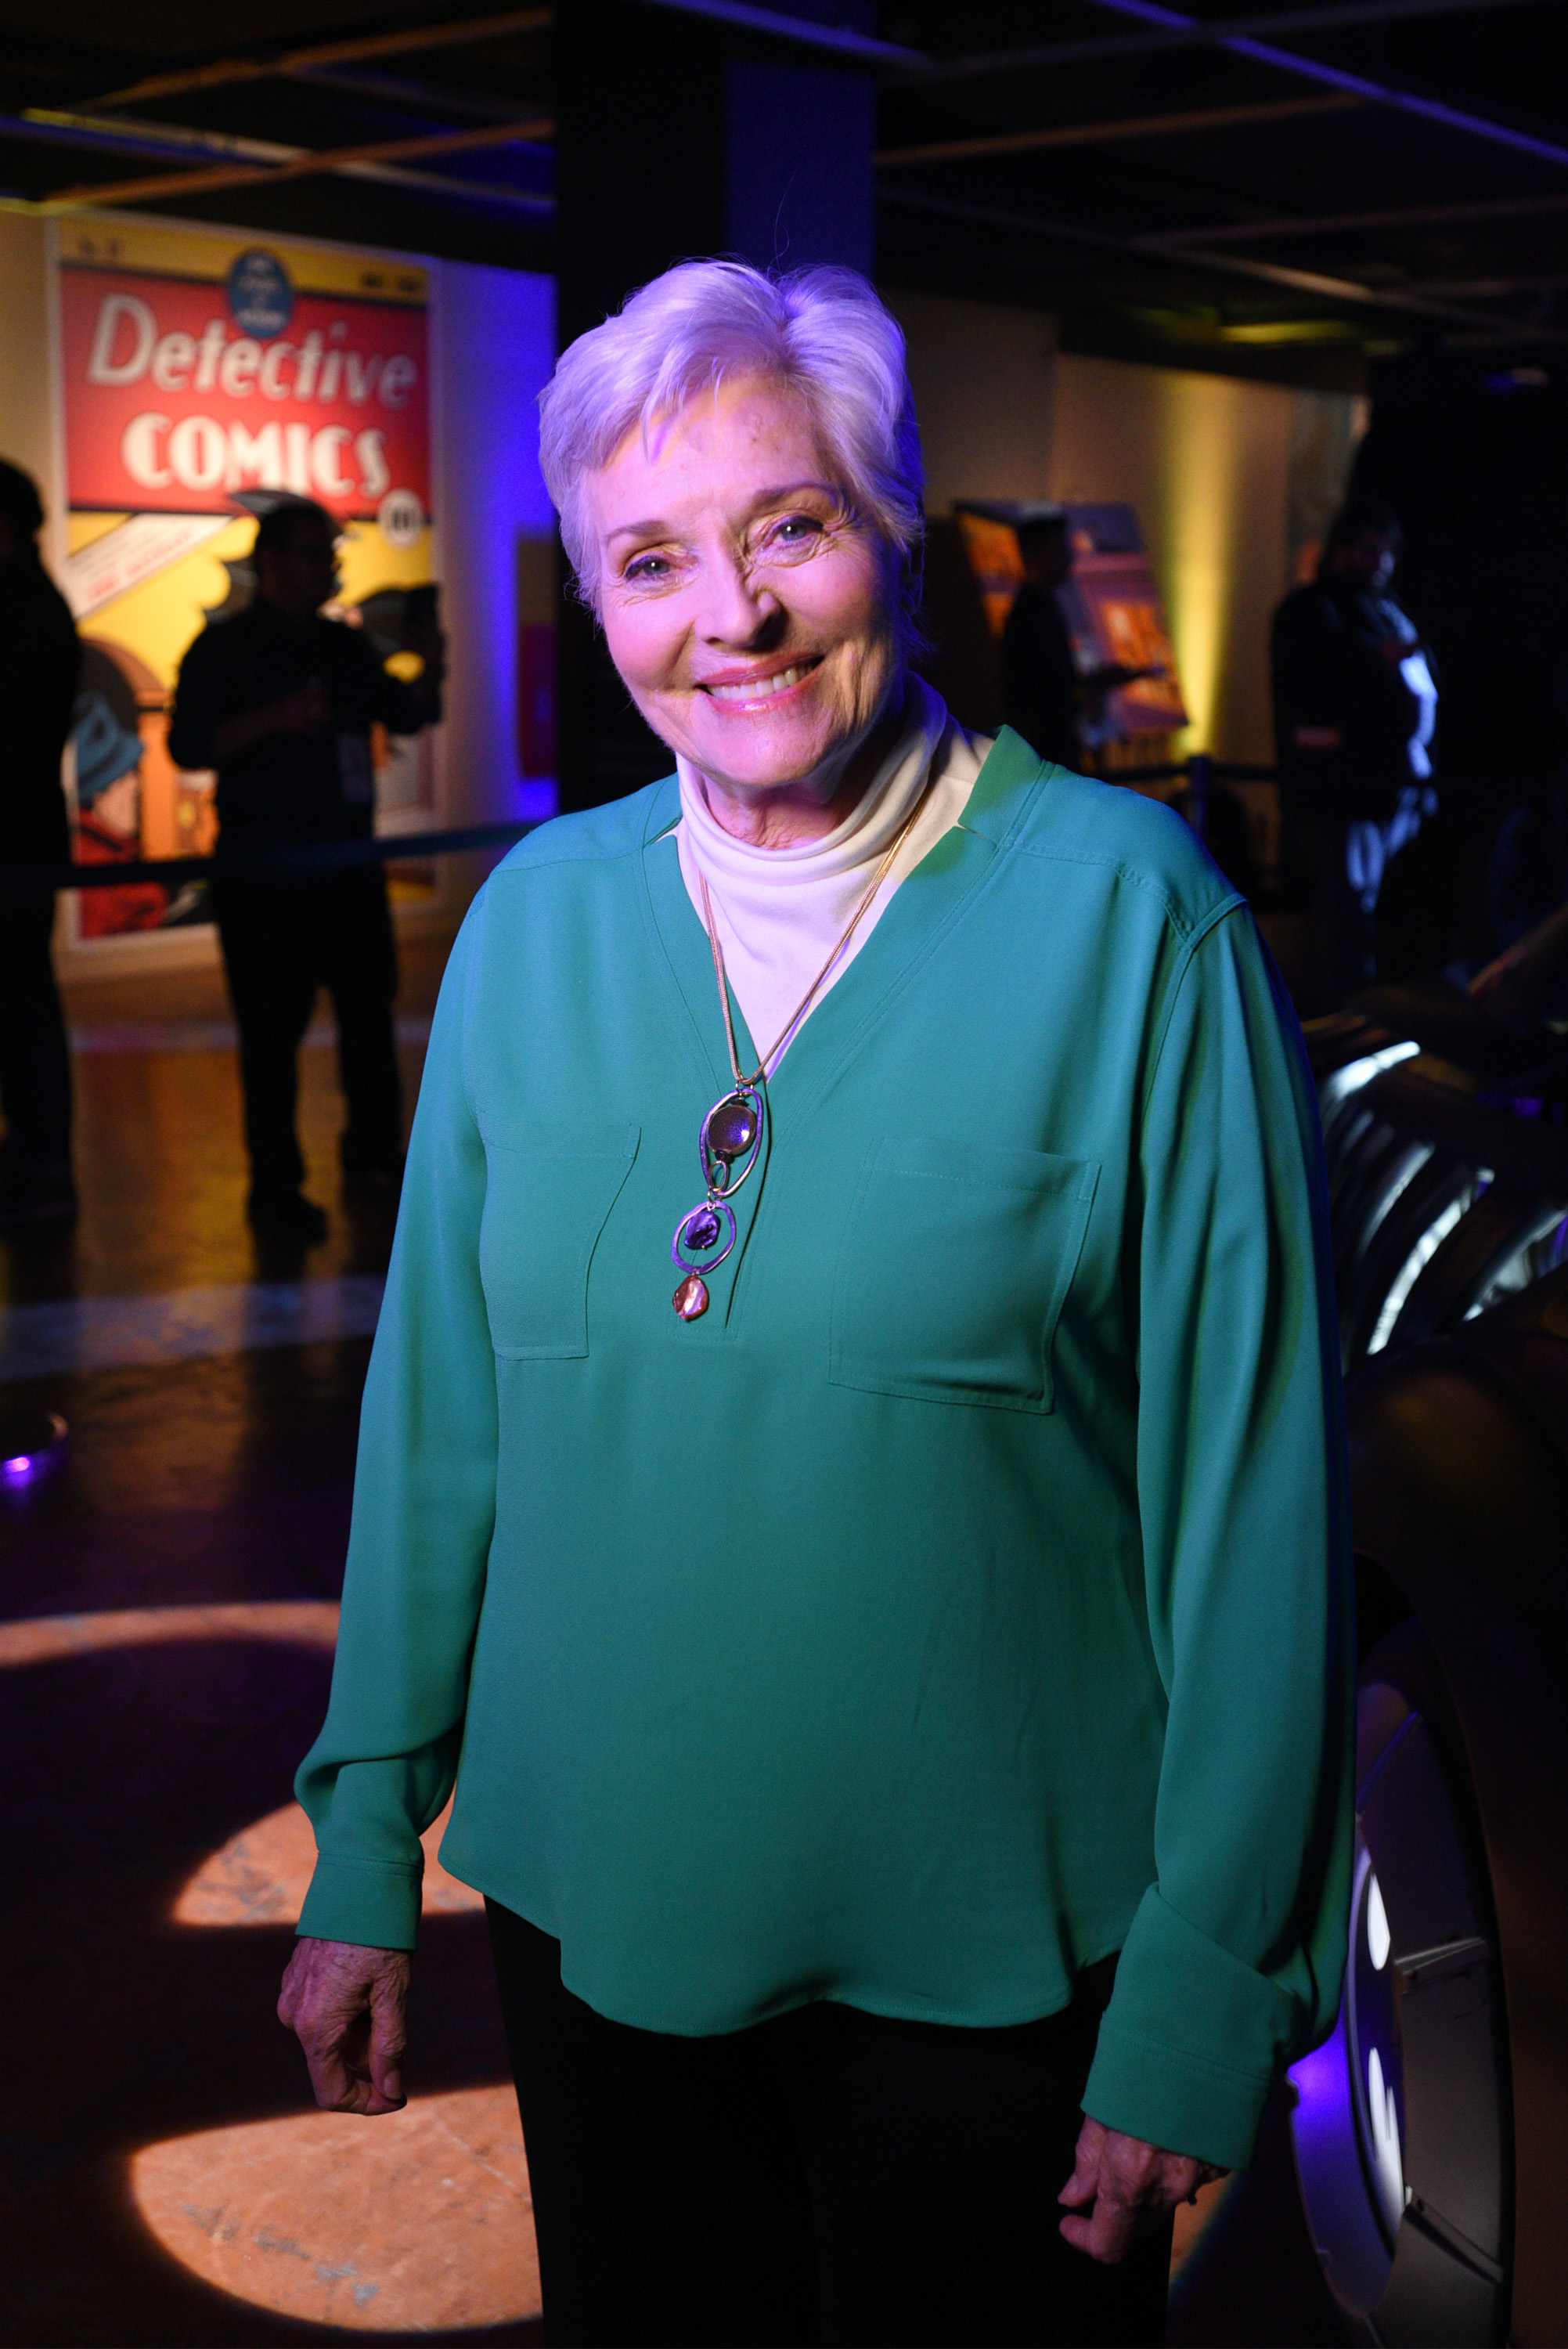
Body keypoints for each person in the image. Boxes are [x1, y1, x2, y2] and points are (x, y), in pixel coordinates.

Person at [279, 262, 1353, 2349]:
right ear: (598, 607)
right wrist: (361, 1841)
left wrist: (1209, 1987)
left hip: (1001, 1983)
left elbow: (1250, 1512)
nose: (732, 616)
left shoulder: (1139, 926)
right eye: (651, 560)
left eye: (790, 527)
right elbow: (436, 1432)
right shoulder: (532, 929)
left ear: (898, 536)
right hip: (602, 1932)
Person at [167, 498, 445, 1241]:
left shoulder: (342, 646)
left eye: (330, 554)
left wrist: (431, 659)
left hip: (347, 869)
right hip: (265, 878)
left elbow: (409, 713)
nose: (328, 567)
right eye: (314, 554)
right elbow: (187, 746)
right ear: (269, 562)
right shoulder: (223, 649)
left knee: (366, 1022)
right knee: (270, 1037)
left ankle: (374, 1156)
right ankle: (276, 1187)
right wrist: (276, 717)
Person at [1271, 499, 1437, 1012]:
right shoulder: (1312, 610)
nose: (1381, 563)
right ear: (1341, 550)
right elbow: (1316, 684)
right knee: (1341, 905)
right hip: (1340, 790)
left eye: (1387, 553)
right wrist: (1372, 659)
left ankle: (1359, 1002)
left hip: (1391, 786)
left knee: (1366, 906)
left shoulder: (1383, 607)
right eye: (1370, 550)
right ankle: (1337, 1010)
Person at [0, 460, 81, 1232]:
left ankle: (42, 1166)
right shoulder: (35, 603)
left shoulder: (24, 610)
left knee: (22, 1005)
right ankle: (37, 1161)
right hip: (23, 835)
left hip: (13, 841)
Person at [1000, 511, 1147, 770]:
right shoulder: (1033, 613)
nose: (1069, 557)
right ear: (1035, 555)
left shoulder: (1038, 608)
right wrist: (1092, 684)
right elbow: (1042, 692)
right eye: (1058, 549)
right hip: (1048, 750)